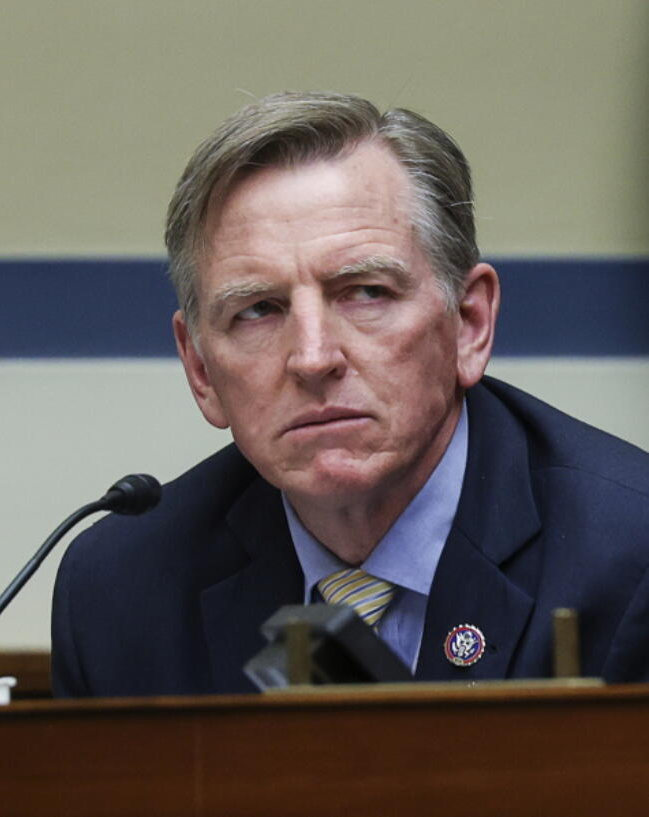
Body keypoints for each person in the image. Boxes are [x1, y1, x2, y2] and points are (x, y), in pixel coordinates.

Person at [51, 91, 649, 696]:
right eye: (258, 310)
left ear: (469, 324)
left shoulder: (632, 554)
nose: (313, 358)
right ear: (201, 370)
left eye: (365, 293)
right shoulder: (122, 590)